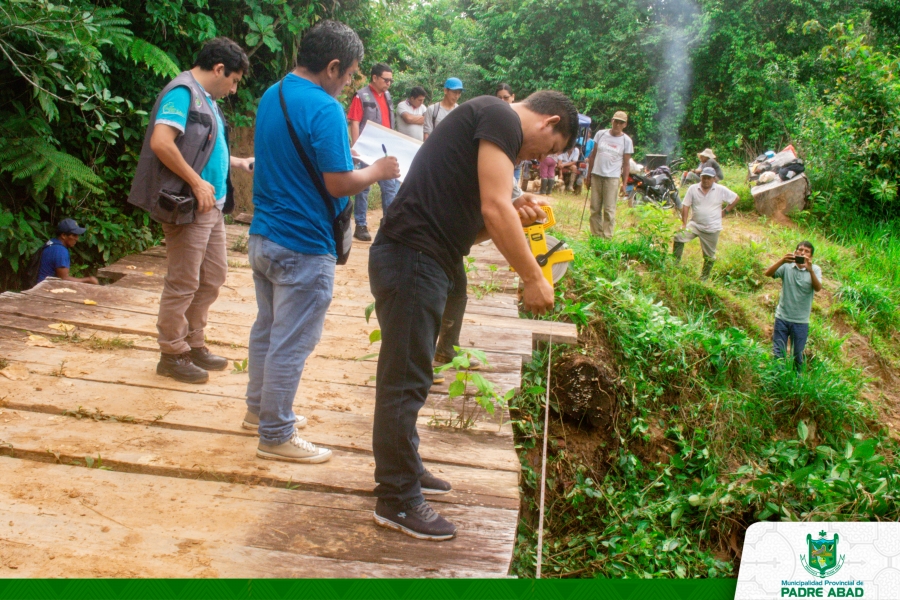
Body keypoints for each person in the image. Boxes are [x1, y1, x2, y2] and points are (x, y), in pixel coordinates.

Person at [369, 90, 577, 540]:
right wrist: (533, 277)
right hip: (411, 257)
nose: (543, 157)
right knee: (404, 378)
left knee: (414, 372)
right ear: (549, 122)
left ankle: (406, 469)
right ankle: (397, 498)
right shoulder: (500, 116)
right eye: (552, 149)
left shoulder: (488, 123)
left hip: (426, 256)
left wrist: (515, 218)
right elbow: (494, 205)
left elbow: (474, 225)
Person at [247, 21, 399, 464]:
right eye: (350, 73)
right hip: (303, 244)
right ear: (333, 67)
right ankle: (275, 433)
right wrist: (378, 172)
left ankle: (259, 412)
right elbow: (337, 184)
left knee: (267, 331)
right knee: (291, 342)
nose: (350, 81)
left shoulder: (272, 94)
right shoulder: (327, 108)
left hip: (264, 237)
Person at [128, 37, 254, 385]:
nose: (233, 88)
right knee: (183, 281)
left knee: (212, 277)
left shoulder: (207, 99)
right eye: (234, 80)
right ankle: (171, 352)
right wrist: (197, 182)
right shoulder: (181, 93)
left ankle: (193, 343)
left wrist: (239, 162)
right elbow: (161, 142)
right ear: (219, 69)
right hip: (189, 203)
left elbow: (206, 148)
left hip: (211, 206)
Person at [347, 63, 399, 242]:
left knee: (390, 186)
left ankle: (389, 225)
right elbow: (354, 122)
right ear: (375, 78)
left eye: (391, 80)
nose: (389, 84)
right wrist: (356, 147)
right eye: (386, 80)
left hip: (386, 148)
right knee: (363, 187)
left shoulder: (387, 96)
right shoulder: (361, 96)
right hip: (367, 149)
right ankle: (360, 225)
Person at [672, 167, 739, 280]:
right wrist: (684, 223)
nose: (706, 180)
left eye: (708, 178)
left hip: (712, 228)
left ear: (713, 179)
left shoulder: (720, 189)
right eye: (704, 178)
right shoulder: (693, 189)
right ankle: (674, 265)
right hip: (695, 224)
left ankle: (704, 278)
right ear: (700, 177)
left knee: (709, 256)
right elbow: (686, 205)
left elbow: (736, 198)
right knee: (678, 237)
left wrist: (726, 211)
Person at [764, 242, 822, 368]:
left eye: (806, 251)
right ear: (795, 252)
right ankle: (777, 380)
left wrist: (810, 270)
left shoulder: (815, 269)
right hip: (782, 318)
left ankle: (795, 383)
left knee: (797, 356)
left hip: (801, 321)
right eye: (800, 250)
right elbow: (768, 273)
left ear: (811, 256)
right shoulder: (787, 267)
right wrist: (782, 260)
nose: (802, 253)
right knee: (778, 353)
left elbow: (818, 288)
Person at [586, 111, 633, 238]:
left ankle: (607, 237)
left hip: (612, 177)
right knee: (595, 208)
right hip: (596, 174)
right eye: (616, 121)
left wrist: (624, 183)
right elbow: (593, 155)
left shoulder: (626, 140)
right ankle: (596, 235)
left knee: (609, 209)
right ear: (612, 121)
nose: (617, 124)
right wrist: (588, 175)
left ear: (625, 125)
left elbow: (626, 163)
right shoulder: (601, 134)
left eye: (621, 122)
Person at [34, 219, 99, 285]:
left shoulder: (53, 242)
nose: (77, 238)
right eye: (74, 235)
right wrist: (87, 280)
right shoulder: (61, 251)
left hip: (37, 283)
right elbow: (64, 279)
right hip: (43, 287)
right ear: (63, 235)